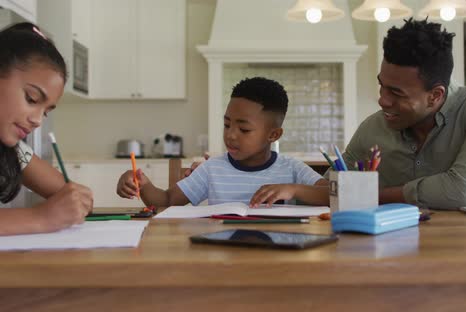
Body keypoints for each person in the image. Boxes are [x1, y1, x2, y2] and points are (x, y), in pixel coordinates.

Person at [341, 18, 466, 209]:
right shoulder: (372, 128)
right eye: (381, 86)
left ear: (435, 95)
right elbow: (332, 186)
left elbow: (463, 192)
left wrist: (372, 195)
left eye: (396, 93)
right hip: (397, 237)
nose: (382, 100)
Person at [116, 77, 329, 207]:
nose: (231, 135)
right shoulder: (212, 169)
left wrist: (293, 190)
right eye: (227, 125)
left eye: (244, 129)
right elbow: (166, 201)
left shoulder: (291, 169)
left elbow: (332, 195)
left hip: (280, 255)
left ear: (273, 135)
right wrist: (142, 185)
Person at [0, 23, 93, 235]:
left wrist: (77, 201)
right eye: (31, 99)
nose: (37, 121)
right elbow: (47, 216)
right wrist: (40, 218)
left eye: (46, 112)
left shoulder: (11, 151)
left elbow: (68, 194)